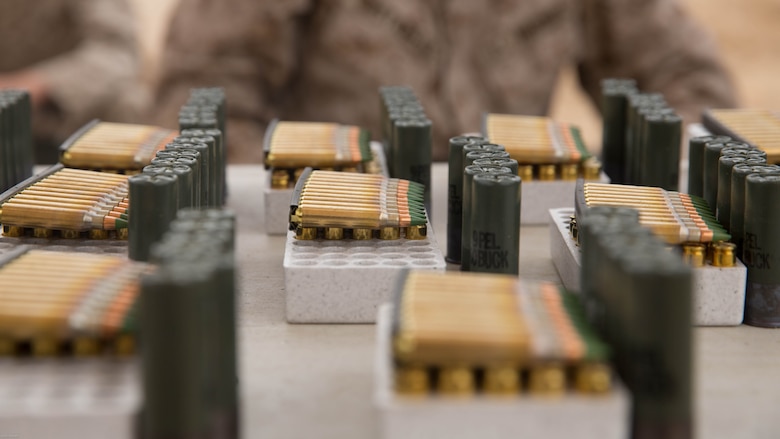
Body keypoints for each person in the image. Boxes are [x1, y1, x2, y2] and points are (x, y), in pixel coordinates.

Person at [154, 0, 736, 163]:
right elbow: (200, 104)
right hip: (331, 242)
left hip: (513, 252)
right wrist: (293, 205)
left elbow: (686, 81)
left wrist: (658, 178)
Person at [0, 0, 146, 163]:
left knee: (125, 101)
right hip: (11, 126)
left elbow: (118, 55)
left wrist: (40, 83)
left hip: (75, 118)